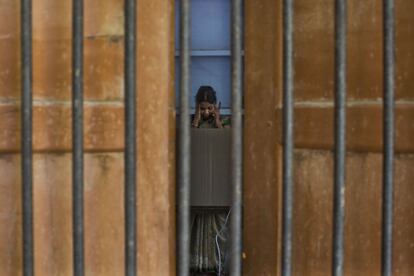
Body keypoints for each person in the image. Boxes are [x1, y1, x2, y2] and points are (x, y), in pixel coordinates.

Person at [191, 86, 230, 276]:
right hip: (198, 188)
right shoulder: (192, 123)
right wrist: (196, 120)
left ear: (214, 107)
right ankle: (196, 266)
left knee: (217, 229)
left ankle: (216, 265)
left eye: (209, 108)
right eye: (202, 108)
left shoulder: (223, 123)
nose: (206, 112)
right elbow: (188, 141)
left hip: (216, 188)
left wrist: (217, 121)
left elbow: (225, 143)